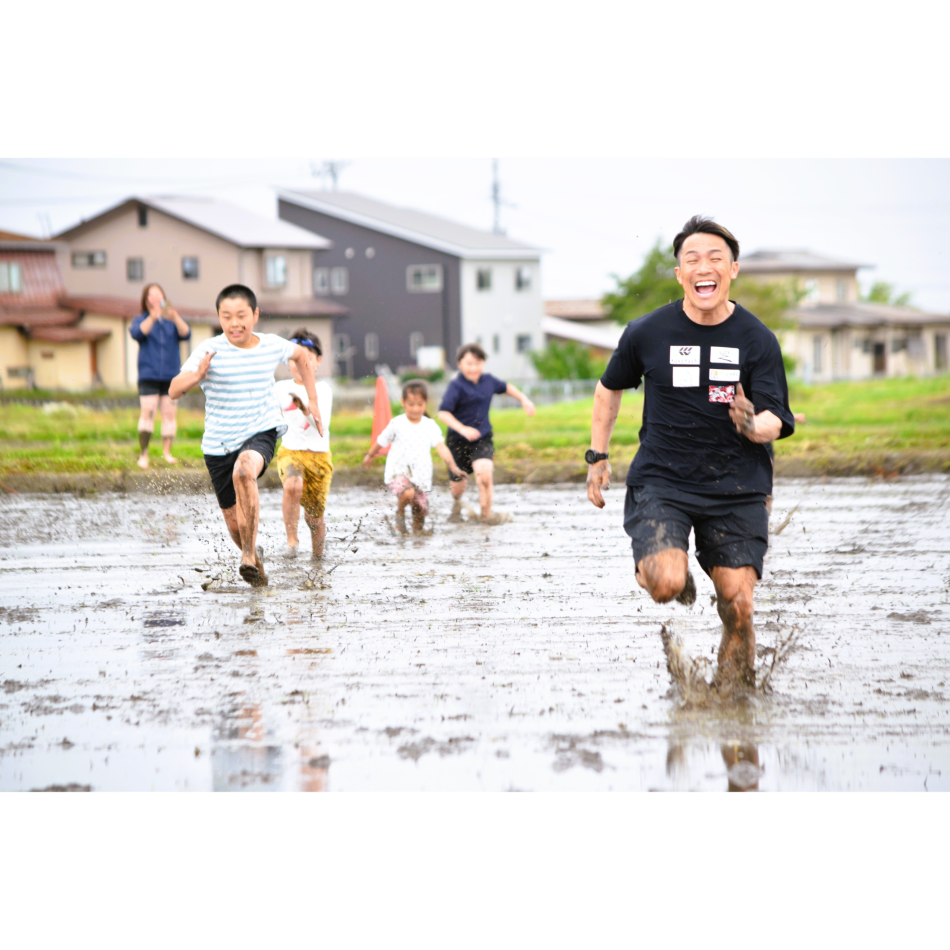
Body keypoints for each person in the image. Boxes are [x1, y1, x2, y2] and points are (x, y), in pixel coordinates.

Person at [586, 215, 795, 691]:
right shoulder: (646, 332)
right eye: (692, 259)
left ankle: (734, 703)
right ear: (680, 274)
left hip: (738, 485)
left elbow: (776, 418)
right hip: (664, 480)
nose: (705, 266)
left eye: (715, 258)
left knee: (739, 604)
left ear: (734, 269)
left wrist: (751, 423)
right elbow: (608, 389)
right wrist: (596, 457)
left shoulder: (757, 338)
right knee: (664, 583)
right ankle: (673, 572)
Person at [169, 284, 322, 587]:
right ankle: (257, 569)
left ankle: (249, 556)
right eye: (226, 317)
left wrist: (313, 400)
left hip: (259, 432)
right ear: (219, 318)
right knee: (234, 523)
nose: (234, 323)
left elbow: (303, 355)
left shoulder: (271, 344)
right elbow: (174, 389)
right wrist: (197, 376)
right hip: (217, 444)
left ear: (255, 315)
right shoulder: (208, 349)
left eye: (241, 315)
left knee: (244, 471)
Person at [437, 343, 536, 524]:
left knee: (484, 476)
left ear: (483, 363)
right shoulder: (456, 385)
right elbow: (443, 412)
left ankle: (486, 518)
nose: (473, 368)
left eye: (478, 363)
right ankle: (457, 505)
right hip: (457, 441)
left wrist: (524, 399)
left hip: (482, 438)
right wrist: (462, 429)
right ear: (460, 364)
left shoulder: (488, 381)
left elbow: (506, 388)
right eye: (469, 363)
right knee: (457, 487)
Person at [363, 379, 465, 534]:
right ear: (403, 402)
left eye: (420, 404)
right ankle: (400, 513)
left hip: (421, 475)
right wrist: (370, 455)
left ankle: (417, 542)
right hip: (399, 471)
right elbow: (381, 440)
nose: (416, 408)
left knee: (420, 513)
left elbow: (441, 447)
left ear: (426, 403)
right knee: (408, 492)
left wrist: (453, 466)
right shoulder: (397, 423)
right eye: (411, 404)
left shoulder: (429, 425)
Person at [273, 328, 333, 559]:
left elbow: (322, 425)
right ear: (288, 362)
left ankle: (318, 558)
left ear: (318, 361)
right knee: (292, 485)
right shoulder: (280, 388)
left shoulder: (324, 390)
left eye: (307, 357)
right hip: (291, 452)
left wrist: (305, 408)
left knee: (314, 517)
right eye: (295, 358)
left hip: (319, 457)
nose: (301, 363)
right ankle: (292, 541)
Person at [130, 283, 191, 469]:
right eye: (151, 294)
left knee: (169, 415)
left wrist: (174, 316)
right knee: (147, 413)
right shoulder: (141, 319)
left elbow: (186, 333)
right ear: (146, 299)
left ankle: (167, 453)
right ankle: (144, 455)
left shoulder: (172, 321)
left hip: (171, 375)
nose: (155, 297)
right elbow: (137, 333)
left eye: (158, 293)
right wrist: (153, 317)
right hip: (149, 374)